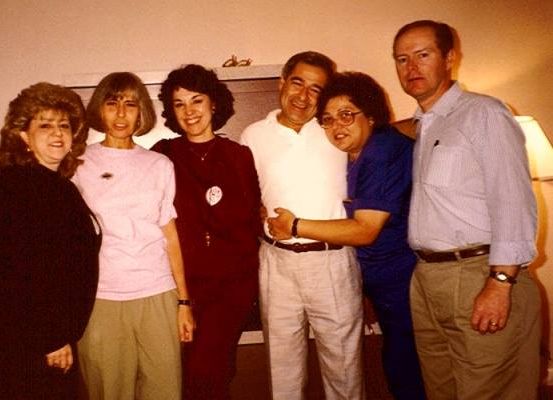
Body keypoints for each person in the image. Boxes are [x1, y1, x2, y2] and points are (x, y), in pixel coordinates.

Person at [392, 20, 540, 400]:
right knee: (440, 391)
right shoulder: (424, 125)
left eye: (423, 55)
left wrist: (501, 282)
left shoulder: (483, 113)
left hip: (479, 273)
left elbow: (512, 199)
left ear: (449, 59)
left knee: (490, 391)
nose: (411, 67)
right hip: (428, 278)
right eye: (402, 59)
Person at [267, 71, 426, 400]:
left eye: (346, 115)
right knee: (398, 365)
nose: (336, 126)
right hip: (378, 281)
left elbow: (365, 230)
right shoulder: (360, 152)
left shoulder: (382, 152)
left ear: (371, 115)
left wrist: (294, 226)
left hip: (404, 281)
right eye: (328, 119)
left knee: (409, 370)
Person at [240, 52, 364, 400]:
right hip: (276, 262)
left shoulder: (334, 130)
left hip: (331, 261)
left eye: (315, 89)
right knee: (283, 370)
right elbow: (246, 195)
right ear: (282, 82)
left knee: (344, 368)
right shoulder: (253, 135)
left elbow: (380, 139)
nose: (303, 96)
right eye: (297, 83)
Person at [0, 82, 101, 399]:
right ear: (23, 136)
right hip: (27, 341)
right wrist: (53, 338)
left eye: (64, 126)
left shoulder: (56, 185)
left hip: (43, 336)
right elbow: (18, 274)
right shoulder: (16, 187)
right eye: (45, 125)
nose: (57, 133)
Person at [74, 72, 195, 400]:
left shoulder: (159, 164)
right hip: (101, 297)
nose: (121, 113)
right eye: (112, 103)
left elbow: (170, 234)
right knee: (109, 392)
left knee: (165, 391)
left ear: (141, 112)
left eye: (130, 104)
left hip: (157, 293)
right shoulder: (78, 162)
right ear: (100, 109)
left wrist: (183, 302)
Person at [154, 64, 261, 400]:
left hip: (230, 288)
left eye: (196, 100)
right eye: (179, 103)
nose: (189, 111)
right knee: (185, 371)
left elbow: (253, 219)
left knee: (210, 369)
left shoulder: (238, 156)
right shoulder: (163, 155)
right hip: (179, 286)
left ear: (213, 103)